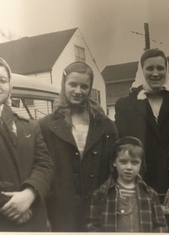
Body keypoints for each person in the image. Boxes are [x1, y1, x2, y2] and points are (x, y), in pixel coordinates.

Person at [115, 48, 169, 233]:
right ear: (141, 71)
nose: (155, 73)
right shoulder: (125, 105)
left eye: (160, 68)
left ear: (167, 69)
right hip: (142, 187)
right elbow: (123, 147)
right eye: (149, 68)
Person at [39, 61, 118, 232]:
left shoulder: (105, 125)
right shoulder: (46, 126)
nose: (78, 91)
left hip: (97, 210)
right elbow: (40, 170)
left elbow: (115, 169)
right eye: (72, 84)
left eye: (84, 86)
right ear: (63, 84)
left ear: (90, 89)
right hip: (60, 212)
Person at [0, 57, 53, 231]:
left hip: (34, 221)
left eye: (2, 80)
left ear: (10, 87)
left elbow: (44, 165)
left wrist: (29, 194)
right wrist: (12, 205)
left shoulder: (29, 125)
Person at [86, 136, 168, 232]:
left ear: (141, 164)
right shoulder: (101, 193)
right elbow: (92, 226)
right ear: (114, 162)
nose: (129, 167)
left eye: (135, 162)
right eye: (123, 162)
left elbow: (161, 227)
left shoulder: (150, 194)